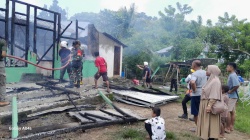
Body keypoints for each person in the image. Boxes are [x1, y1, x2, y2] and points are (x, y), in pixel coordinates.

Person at [196, 65, 222, 140]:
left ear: (212, 71)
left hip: (209, 104)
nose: (206, 71)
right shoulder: (211, 80)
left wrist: (209, 105)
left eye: (207, 70)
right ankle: (206, 136)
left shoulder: (215, 81)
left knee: (210, 122)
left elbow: (214, 95)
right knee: (207, 121)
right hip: (206, 103)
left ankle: (211, 137)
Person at [190, 60, 207, 129]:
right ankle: (203, 127)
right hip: (204, 93)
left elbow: (193, 82)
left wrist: (194, 89)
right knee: (202, 111)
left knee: (195, 112)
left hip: (196, 94)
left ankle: (198, 129)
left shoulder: (195, 74)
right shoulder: (205, 72)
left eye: (192, 64)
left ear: (194, 65)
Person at [226, 62, 240, 132]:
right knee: (232, 112)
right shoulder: (232, 75)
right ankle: (231, 126)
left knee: (227, 111)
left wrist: (230, 91)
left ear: (231, 68)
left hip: (231, 96)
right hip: (233, 96)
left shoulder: (232, 75)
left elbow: (237, 85)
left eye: (227, 67)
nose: (226, 68)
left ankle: (228, 127)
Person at [0, 37, 9, 106]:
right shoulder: (2, 41)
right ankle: (2, 101)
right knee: (2, 83)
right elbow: (3, 54)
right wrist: (5, 54)